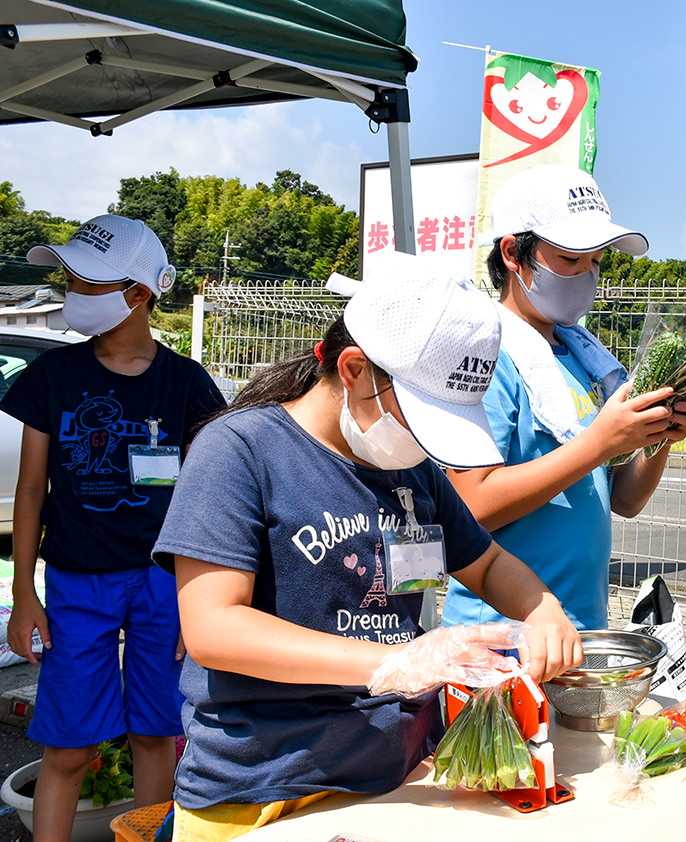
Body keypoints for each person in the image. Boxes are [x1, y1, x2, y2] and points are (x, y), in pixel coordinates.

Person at [151, 270, 582, 842]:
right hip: (262, 789)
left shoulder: (415, 470)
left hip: (395, 775)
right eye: (421, 417)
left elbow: (487, 564)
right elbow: (213, 628)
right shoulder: (240, 451)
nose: (426, 445)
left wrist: (543, 608)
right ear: (353, 370)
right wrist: (395, 662)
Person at [1, 214, 226, 842]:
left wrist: (205, 599)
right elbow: (29, 490)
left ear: (137, 293)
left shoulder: (188, 384)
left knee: (159, 736)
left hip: (165, 587)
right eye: (67, 277)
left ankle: (147, 835)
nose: (68, 290)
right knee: (68, 747)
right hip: (76, 584)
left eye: (84, 281)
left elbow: (218, 496)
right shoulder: (52, 376)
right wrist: (24, 595)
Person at [441, 164, 686, 631]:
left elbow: (624, 499)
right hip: (502, 634)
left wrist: (661, 435)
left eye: (596, 260)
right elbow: (469, 504)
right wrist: (599, 443)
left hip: (581, 627)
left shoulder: (585, 361)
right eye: (570, 258)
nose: (587, 274)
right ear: (514, 255)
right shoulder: (487, 356)